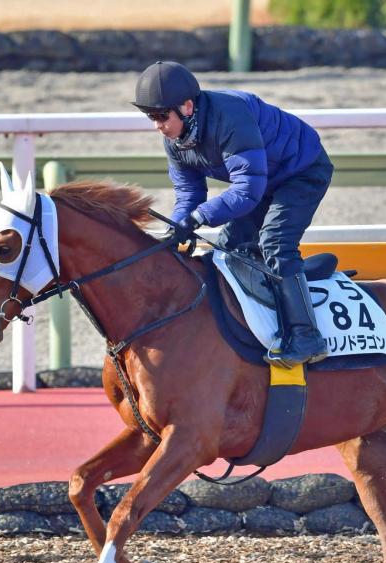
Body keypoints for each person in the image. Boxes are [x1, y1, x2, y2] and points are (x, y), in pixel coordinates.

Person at [132, 60, 333, 367]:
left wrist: (198, 218)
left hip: (302, 172)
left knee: (275, 242)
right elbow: (189, 193)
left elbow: (247, 191)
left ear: (187, 107)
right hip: (264, 179)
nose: (156, 125)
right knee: (230, 249)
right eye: (150, 116)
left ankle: (307, 337)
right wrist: (178, 227)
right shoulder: (175, 141)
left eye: (161, 116)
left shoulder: (230, 117)